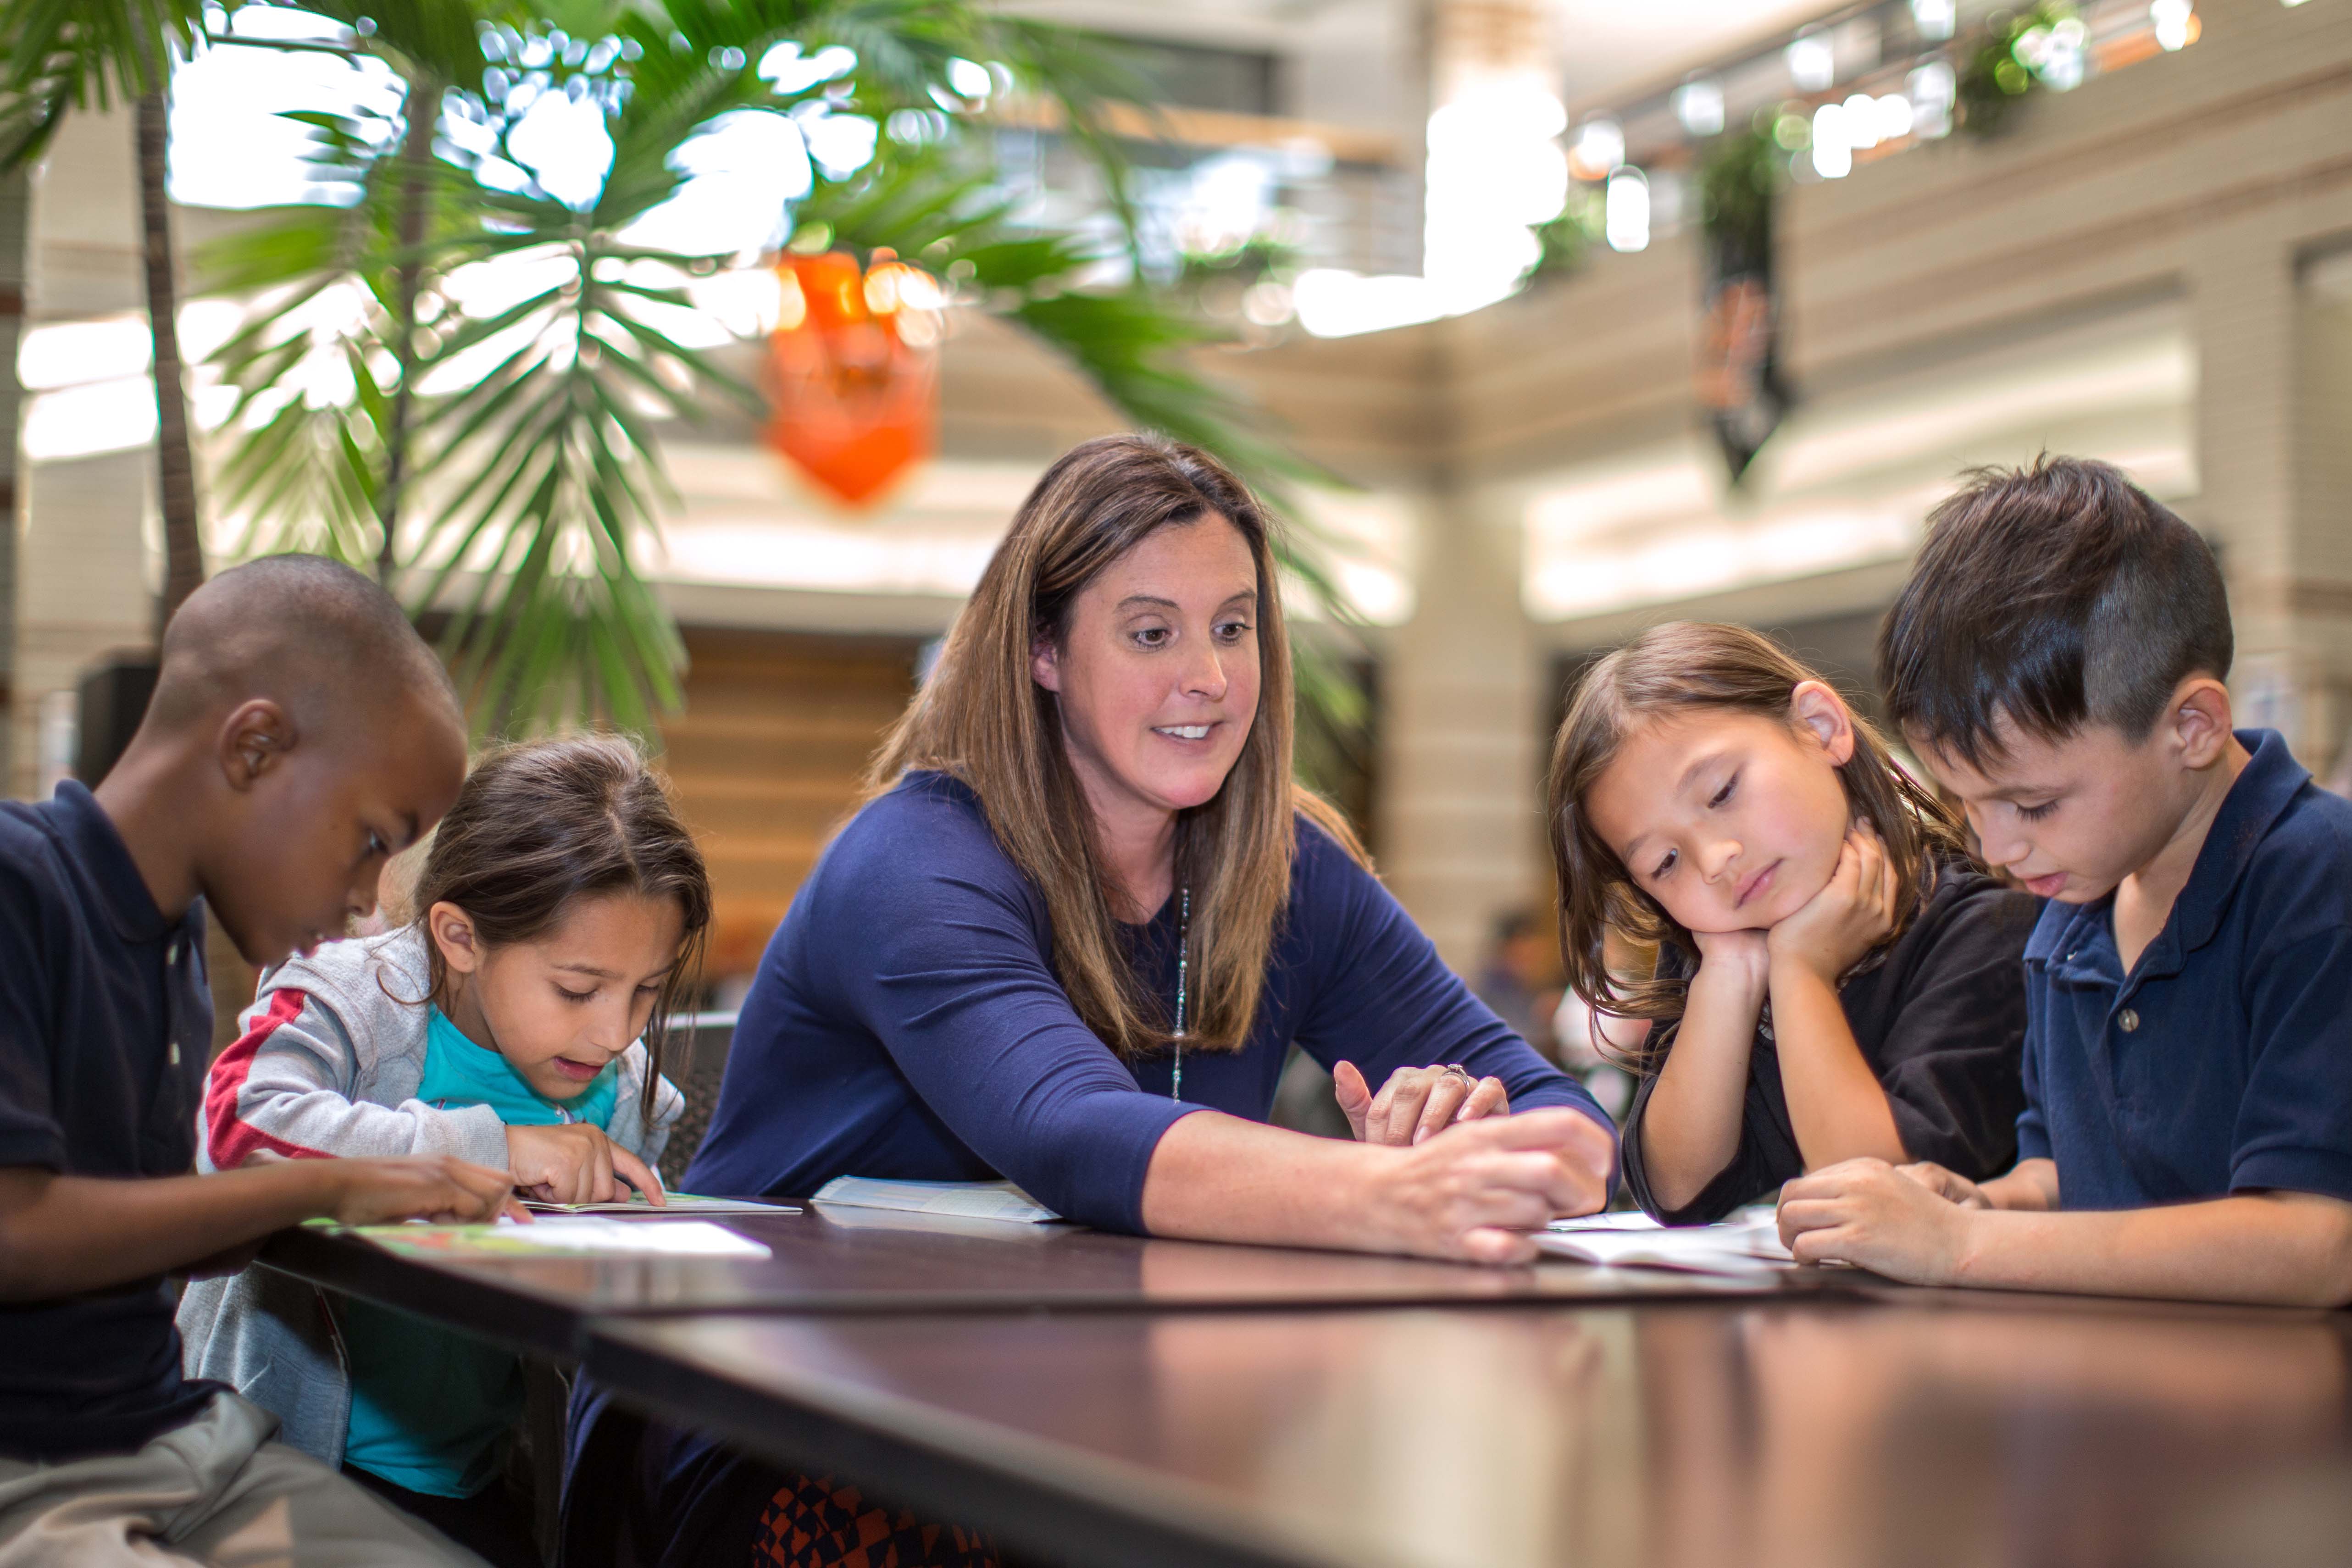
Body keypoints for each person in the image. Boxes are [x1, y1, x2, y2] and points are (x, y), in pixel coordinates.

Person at [566, 432, 1616, 1568]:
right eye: (1150, 633)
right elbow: (1071, 1128)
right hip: (793, 1417)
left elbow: (1574, 1126)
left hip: (1113, 1409)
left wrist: (1471, 1131)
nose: (1207, 678)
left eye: (1233, 628)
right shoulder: (913, 860)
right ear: (1043, 652)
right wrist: (1392, 1190)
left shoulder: (1288, 869)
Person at [0, 554, 523, 1566]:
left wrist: (383, 1197)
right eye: (372, 839)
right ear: (254, 748)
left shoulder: (173, 957)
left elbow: (135, 1236)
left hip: (179, 1442)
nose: (371, 899)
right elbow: (15, 1231)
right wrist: (322, 1183)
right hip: (32, 1472)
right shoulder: (18, 887)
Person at [1778, 456, 2352, 1308]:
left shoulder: (2317, 885)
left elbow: (2313, 1243)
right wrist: (1985, 1199)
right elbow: (2065, 1172)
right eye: (1968, 804)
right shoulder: (2076, 904)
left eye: (2033, 803)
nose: (1998, 847)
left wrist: (1966, 1243)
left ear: (2191, 726)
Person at [180, 735, 703, 1566]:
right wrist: (488, 1148)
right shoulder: (349, 998)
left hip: (483, 1489)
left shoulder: (620, 1088)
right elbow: (235, 1132)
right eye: (577, 989)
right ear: (459, 937)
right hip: (274, 1474)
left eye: (647, 989)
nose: (615, 1032)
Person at [1550, 622, 2037, 1224]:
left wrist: (1803, 971)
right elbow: (1677, 1189)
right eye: (1665, 862)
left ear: (1820, 728)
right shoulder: (1719, 952)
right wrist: (1731, 973)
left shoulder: (1986, 931)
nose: (1715, 860)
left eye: (1724, 791)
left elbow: (1881, 1201)